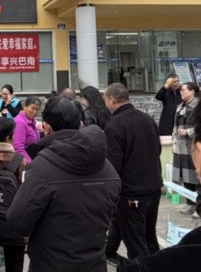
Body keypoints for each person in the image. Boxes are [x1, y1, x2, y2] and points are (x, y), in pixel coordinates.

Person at [118, 77, 201, 271]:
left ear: (200, 156)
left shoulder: (178, 260)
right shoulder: (178, 104)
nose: (182, 92)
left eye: (185, 89)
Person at [7, 95, 121, 272]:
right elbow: (111, 209)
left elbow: (18, 221)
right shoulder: (106, 166)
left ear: (47, 127)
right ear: (80, 125)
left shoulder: (43, 166)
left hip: (50, 263)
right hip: (95, 263)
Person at [103, 83, 162, 261]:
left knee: (137, 242)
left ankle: (144, 266)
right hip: (153, 186)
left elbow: (113, 164)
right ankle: (109, 251)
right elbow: (158, 149)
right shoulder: (147, 119)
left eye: (105, 99)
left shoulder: (114, 125)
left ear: (111, 100)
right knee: (148, 234)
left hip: (131, 192)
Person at [0, 117, 27, 272]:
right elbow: (25, 192)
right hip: (13, 224)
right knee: (15, 266)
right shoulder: (20, 161)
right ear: (8, 137)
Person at [172, 81, 200, 214]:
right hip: (180, 146)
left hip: (194, 146)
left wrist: (188, 132)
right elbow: (175, 126)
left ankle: (200, 206)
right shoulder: (180, 107)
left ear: (192, 91)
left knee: (196, 177)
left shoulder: (199, 106)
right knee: (185, 176)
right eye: (180, 90)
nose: (181, 92)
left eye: (184, 90)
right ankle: (190, 204)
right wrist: (173, 141)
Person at [12, 95, 41, 164]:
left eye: (37, 109)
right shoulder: (20, 122)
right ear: (25, 107)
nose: (35, 112)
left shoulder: (31, 121)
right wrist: (31, 164)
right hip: (24, 163)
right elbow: (18, 148)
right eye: (32, 108)